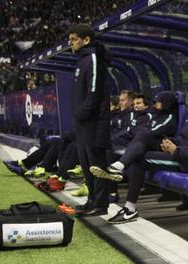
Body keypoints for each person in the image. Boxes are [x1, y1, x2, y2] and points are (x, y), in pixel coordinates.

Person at [101, 88, 188, 224]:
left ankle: (129, 208)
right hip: (178, 154)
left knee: (139, 158)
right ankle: (121, 166)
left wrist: (176, 150)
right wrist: (170, 143)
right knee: (145, 134)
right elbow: (184, 139)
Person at [88, 90, 180, 222]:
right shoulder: (152, 115)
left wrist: (140, 132)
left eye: (158, 102)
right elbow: (139, 129)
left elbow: (153, 132)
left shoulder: (169, 118)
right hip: (145, 146)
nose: (155, 105)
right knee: (136, 157)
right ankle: (129, 208)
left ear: (166, 104)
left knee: (142, 137)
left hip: (162, 148)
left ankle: (119, 167)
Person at [68, 23, 112, 217]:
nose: (71, 43)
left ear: (86, 40)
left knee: (96, 164)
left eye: (74, 39)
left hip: (95, 122)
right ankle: (92, 200)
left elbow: (93, 91)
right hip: (84, 123)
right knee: (86, 164)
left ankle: (101, 204)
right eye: (70, 40)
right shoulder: (82, 60)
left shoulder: (93, 58)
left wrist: (82, 114)